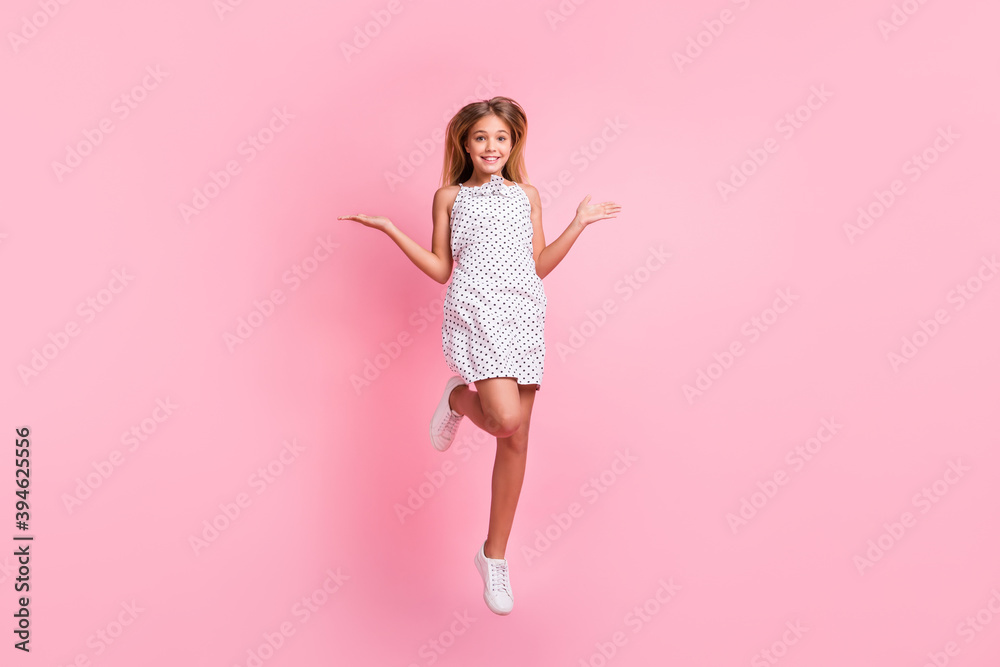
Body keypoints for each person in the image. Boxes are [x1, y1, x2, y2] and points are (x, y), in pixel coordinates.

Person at [339, 96, 621, 615]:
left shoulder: (526, 194)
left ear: (514, 144)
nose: (492, 146)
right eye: (481, 138)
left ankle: (494, 556)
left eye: (501, 138)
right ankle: (457, 400)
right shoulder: (448, 196)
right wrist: (389, 229)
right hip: (477, 310)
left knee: (515, 442)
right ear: (464, 144)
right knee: (504, 419)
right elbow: (442, 268)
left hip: (524, 313)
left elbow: (538, 264)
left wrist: (578, 223)